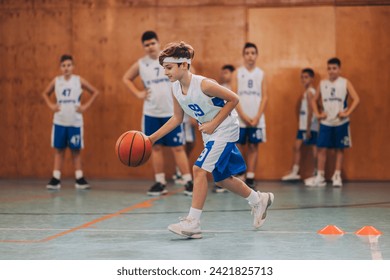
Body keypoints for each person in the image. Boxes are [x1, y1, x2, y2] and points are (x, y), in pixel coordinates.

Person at [147, 41, 274, 239]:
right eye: (164, 68)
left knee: (198, 170)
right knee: (222, 179)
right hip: (210, 132)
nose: (166, 72)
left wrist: (214, 123)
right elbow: (177, 119)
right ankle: (258, 199)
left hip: (224, 128)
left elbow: (234, 99)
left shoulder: (204, 84)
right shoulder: (175, 89)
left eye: (169, 68)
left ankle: (193, 222)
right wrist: (150, 139)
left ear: (184, 65)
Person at [122, 31, 193, 196]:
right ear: (143, 47)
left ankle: (188, 181)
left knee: (178, 148)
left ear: (158, 43)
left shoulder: (169, 60)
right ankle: (160, 182)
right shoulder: (141, 64)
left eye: (152, 43)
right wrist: (138, 93)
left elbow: (189, 72)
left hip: (172, 112)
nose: (150, 47)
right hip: (151, 112)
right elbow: (126, 78)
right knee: (155, 147)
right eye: (146, 45)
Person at [42, 54, 99, 190]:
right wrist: (51, 106)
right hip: (60, 121)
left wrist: (85, 106)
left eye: (68, 65)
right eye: (63, 66)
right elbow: (45, 93)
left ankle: (79, 178)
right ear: (60, 67)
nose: (66, 68)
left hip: (75, 121)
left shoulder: (78, 80)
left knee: (75, 150)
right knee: (59, 150)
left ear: (73, 66)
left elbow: (95, 92)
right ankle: (56, 178)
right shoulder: (56, 81)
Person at [306, 58, 360, 187]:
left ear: (339, 69)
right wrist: (318, 114)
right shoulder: (323, 83)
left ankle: (337, 175)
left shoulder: (345, 82)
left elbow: (356, 99)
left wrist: (347, 113)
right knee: (321, 149)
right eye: (329, 68)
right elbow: (314, 100)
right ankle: (320, 176)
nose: (331, 71)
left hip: (341, 122)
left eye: (334, 68)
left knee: (339, 149)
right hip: (326, 122)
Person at [232, 43, 268, 189]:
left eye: (253, 53)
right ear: (243, 55)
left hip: (257, 119)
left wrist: (257, 116)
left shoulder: (261, 74)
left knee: (253, 146)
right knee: (239, 145)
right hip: (241, 118)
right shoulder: (237, 73)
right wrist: (243, 115)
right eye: (247, 53)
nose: (250, 56)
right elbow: (233, 96)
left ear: (256, 55)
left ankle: (251, 176)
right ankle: (240, 175)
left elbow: (265, 97)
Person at [282, 68, 318, 181]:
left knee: (314, 149)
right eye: (302, 77)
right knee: (296, 147)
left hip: (309, 126)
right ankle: (295, 171)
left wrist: (308, 128)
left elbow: (311, 111)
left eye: (306, 77)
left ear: (312, 79)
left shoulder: (310, 92)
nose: (303, 79)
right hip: (303, 126)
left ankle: (317, 173)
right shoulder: (306, 92)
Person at [213, 64, 236, 193]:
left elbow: (235, 101)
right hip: (223, 124)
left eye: (226, 72)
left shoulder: (235, 88)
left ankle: (231, 179)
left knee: (231, 153)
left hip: (233, 123)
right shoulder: (220, 88)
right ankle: (224, 180)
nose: (223, 75)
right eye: (222, 72)